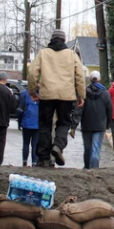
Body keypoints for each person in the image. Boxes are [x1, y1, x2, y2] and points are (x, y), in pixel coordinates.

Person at [28, 30, 86, 167]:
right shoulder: (72, 55)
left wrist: (32, 91)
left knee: (45, 125)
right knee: (64, 123)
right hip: (66, 95)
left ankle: (43, 158)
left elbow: (32, 73)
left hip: (47, 94)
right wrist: (81, 95)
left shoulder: (43, 53)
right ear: (64, 40)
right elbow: (80, 76)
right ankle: (58, 146)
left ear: (52, 39)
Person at [80, 71, 112, 169]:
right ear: (100, 79)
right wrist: (108, 123)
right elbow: (110, 109)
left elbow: (79, 108)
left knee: (87, 148)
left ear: (90, 79)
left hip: (86, 125)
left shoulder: (84, 93)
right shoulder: (105, 93)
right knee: (96, 148)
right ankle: (94, 169)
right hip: (100, 124)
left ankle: (86, 167)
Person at [17, 87, 40, 167]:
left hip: (26, 122)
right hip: (37, 124)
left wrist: (19, 123)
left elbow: (20, 110)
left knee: (26, 143)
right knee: (35, 144)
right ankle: (34, 162)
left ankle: (24, 162)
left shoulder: (24, 94)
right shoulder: (41, 94)